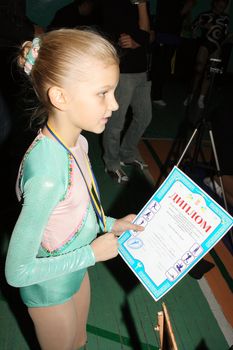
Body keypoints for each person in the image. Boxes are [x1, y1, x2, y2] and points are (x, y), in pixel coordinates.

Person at [4, 28, 144, 350]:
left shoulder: (78, 141)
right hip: (49, 287)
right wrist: (92, 254)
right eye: (103, 93)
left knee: (78, 341)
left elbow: (77, 212)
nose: (114, 103)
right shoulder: (47, 174)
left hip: (77, 270)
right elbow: (17, 271)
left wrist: (112, 224)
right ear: (60, 97)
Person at [96, 0, 152, 183]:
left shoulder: (141, 4)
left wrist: (142, 5)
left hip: (142, 69)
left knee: (144, 116)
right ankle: (111, 162)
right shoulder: (114, 4)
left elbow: (148, 36)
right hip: (124, 70)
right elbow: (117, 37)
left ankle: (127, 152)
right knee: (116, 121)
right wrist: (141, 39)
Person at [183, 0, 230, 109]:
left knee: (209, 73)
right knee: (198, 70)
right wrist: (203, 25)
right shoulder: (204, 15)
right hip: (204, 45)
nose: (221, 6)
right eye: (220, 4)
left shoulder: (226, 18)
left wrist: (225, 42)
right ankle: (190, 95)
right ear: (215, 3)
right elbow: (192, 27)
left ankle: (201, 98)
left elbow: (225, 34)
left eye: (224, 5)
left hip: (217, 48)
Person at [150, 0, 195, 107]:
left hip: (170, 34)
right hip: (164, 33)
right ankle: (155, 95)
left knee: (162, 64)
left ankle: (155, 94)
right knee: (160, 64)